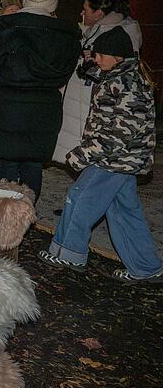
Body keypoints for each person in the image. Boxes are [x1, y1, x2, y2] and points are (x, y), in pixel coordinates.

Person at [39, 27, 161, 283]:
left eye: (101, 55)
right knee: (123, 213)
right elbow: (98, 78)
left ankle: (70, 253)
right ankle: (145, 266)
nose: (96, 59)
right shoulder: (120, 76)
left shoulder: (128, 85)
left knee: (79, 199)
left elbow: (118, 135)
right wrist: (88, 63)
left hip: (113, 160)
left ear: (118, 57)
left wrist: (81, 155)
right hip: (121, 160)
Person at [0, 0, 80, 201]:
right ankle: (27, 210)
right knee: (33, 165)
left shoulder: (8, 32)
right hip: (45, 111)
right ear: (52, 4)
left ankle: (5, 215)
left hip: (7, 110)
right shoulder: (66, 37)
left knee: (6, 165)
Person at [53, 0, 142, 163]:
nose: (81, 13)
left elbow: (118, 68)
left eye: (86, 10)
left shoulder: (119, 34)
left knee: (93, 150)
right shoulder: (98, 30)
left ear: (99, 13)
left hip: (93, 100)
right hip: (83, 100)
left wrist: (91, 60)